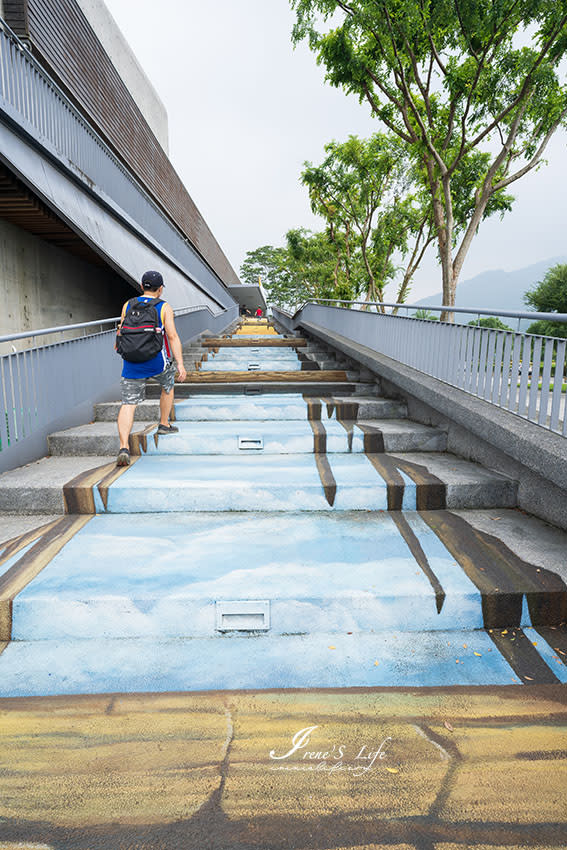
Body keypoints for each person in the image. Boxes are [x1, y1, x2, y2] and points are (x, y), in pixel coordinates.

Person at [115, 270, 187, 466]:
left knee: (128, 403)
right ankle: (164, 423)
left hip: (131, 362)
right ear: (160, 289)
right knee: (168, 383)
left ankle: (123, 447)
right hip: (156, 360)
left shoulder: (128, 304)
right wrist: (180, 363)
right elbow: (172, 337)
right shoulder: (164, 307)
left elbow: (121, 330)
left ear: (141, 286)